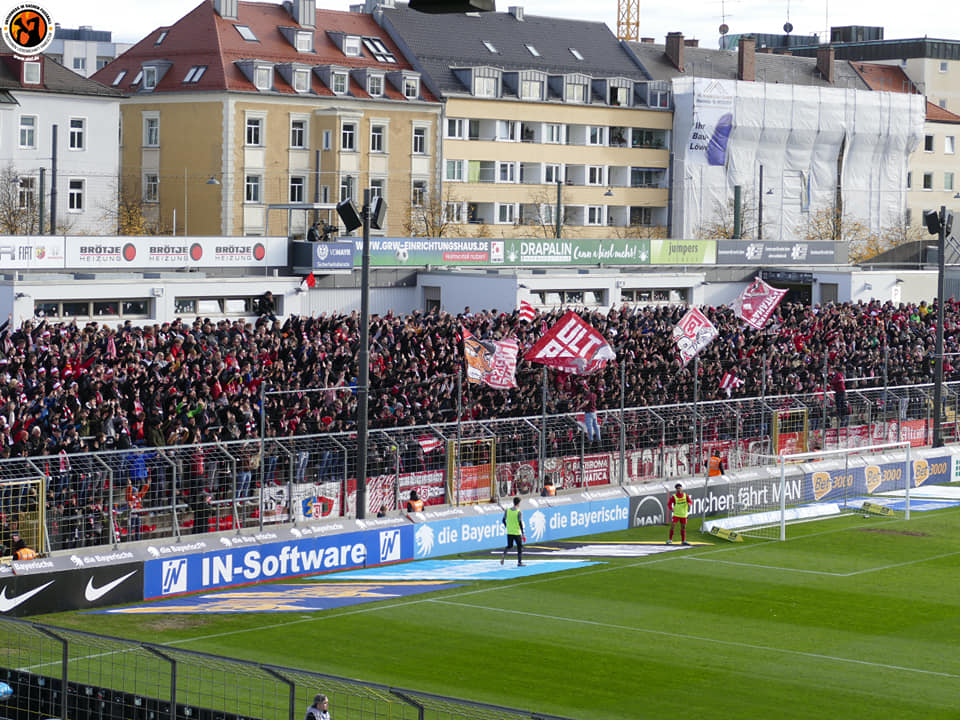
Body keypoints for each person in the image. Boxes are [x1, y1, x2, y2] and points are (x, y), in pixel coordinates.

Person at [500, 496, 525, 566]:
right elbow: (520, 523)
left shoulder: (507, 510)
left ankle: (504, 554)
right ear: (518, 503)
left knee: (509, 546)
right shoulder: (519, 512)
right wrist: (523, 533)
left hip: (509, 531)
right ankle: (519, 562)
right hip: (516, 532)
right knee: (519, 547)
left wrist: (507, 526)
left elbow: (503, 520)